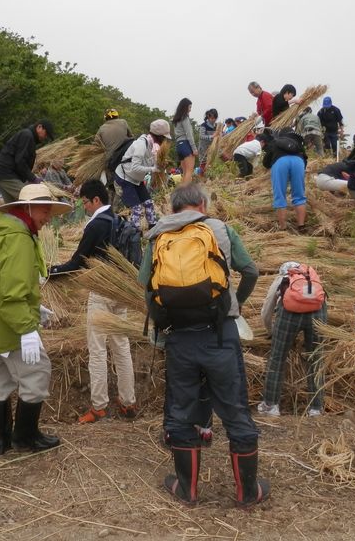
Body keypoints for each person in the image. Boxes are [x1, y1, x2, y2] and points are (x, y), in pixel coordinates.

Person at [139, 183, 267, 507]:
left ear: (173, 208)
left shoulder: (157, 235)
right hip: (220, 333)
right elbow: (250, 271)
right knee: (235, 410)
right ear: (201, 204)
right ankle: (247, 492)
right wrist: (235, 304)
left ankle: (188, 489)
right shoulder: (220, 229)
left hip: (179, 337)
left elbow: (146, 287)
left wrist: (162, 326)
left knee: (181, 411)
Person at [0, 183, 72, 455]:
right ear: (27, 208)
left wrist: (35, 308)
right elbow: (13, 294)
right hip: (8, 322)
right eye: (44, 210)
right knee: (37, 371)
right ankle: (25, 437)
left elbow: (4, 284)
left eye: (50, 211)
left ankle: (0, 440)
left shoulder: (2, 233)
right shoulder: (19, 239)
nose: (48, 217)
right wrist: (27, 329)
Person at [48, 179, 137, 423]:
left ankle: (99, 407)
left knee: (97, 350)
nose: (84, 206)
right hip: (122, 292)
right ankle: (128, 402)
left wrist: (51, 272)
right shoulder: (119, 220)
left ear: (96, 199)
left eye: (86, 202)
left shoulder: (96, 225)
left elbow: (77, 262)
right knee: (121, 347)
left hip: (101, 293)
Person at [257, 261, 327, 417]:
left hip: (289, 316)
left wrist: (270, 330)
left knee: (277, 359)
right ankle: (316, 408)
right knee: (316, 360)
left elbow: (267, 310)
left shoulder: (282, 279)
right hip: (318, 315)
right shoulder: (312, 277)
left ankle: (270, 405)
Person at [114, 119, 170, 229]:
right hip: (125, 178)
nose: (164, 141)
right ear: (158, 135)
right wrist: (153, 169)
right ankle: (134, 233)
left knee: (149, 203)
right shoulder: (141, 144)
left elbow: (149, 162)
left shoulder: (152, 146)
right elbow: (135, 167)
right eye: (164, 137)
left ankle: (153, 228)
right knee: (137, 208)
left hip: (136, 180)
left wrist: (161, 164)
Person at [0, 120, 55, 203]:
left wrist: (28, 178)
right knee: (31, 198)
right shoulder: (27, 135)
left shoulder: (29, 137)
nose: (45, 137)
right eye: (46, 134)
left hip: (3, 173)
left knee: (14, 206)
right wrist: (33, 178)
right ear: (39, 127)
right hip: (6, 174)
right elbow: (20, 161)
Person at [261, 130, 308, 231]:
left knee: (280, 195)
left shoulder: (276, 142)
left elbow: (265, 162)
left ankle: (283, 227)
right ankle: (301, 225)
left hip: (280, 162)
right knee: (299, 195)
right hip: (298, 162)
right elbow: (305, 159)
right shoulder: (297, 143)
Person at [173, 98, 197, 185]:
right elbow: (189, 134)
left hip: (179, 145)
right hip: (186, 144)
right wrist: (194, 148)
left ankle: (182, 191)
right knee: (189, 172)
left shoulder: (176, 119)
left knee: (185, 172)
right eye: (189, 107)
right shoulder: (185, 118)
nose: (190, 109)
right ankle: (186, 192)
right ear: (185, 107)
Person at [198, 109, 218, 174]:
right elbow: (201, 136)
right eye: (211, 118)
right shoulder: (204, 125)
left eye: (215, 118)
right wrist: (212, 136)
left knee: (212, 163)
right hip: (203, 148)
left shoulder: (216, 126)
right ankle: (201, 177)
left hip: (212, 148)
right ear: (208, 117)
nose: (213, 120)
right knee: (203, 162)